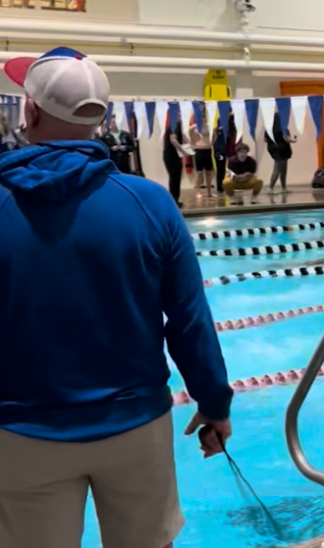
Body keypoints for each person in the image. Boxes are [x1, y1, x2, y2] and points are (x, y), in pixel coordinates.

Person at [0, 47, 233, 548]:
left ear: (31, 111)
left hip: (21, 431)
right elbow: (190, 321)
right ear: (102, 121)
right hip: (135, 429)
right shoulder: (149, 203)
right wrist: (214, 403)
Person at [264, 113, 296, 194]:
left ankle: (283, 187)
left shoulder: (268, 128)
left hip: (273, 149)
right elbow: (287, 139)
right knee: (279, 170)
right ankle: (271, 188)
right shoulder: (283, 127)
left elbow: (265, 140)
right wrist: (294, 140)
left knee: (280, 169)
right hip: (283, 149)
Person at [189, 115, 214, 199]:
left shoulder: (209, 126)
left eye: (204, 118)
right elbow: (188, 131)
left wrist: (211, 143)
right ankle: (198, 192)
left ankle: (209, 192)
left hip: (208, 149)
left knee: (208, 172)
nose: (203, 119)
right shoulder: (195, 127)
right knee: (199, 173)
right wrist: (192, 144)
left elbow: (215, 134)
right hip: (199, 150)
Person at [162, 120, 186, 208]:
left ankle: (175, 200)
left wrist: (188, 142)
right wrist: (183, 151)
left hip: (175, 156)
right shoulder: (173, 125)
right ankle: (173, 201)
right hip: (171, 156)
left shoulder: (177, 125)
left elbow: (182, 136)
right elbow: (173, 140)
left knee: (177, 178)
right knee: (174, 178)